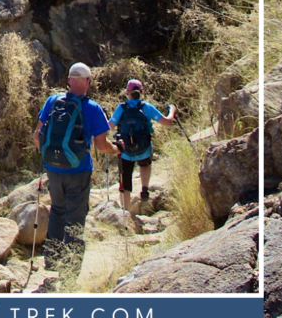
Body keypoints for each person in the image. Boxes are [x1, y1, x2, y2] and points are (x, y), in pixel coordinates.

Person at [34, 62, 122, 268]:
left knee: (57, 209)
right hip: (79, 170)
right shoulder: (92, 108)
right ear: (88, 81)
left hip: (53, 169)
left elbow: (37, 136)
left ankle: (52, 259)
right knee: (75, 216)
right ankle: (71, 267)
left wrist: (48, 157)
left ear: (68, 80)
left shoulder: (52, 101)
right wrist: (119, 149)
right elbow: (102, 146)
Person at [108, 79, 176, 211]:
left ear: (127, 92)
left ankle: (126, 211)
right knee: (145, 163)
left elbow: (108, 127)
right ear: (142, 91)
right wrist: (172, 110)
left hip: (125, 150)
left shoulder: (121, 108)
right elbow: (168, 122)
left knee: (125, 176)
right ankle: (144, 191)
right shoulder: (147, 107)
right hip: (144, 149)